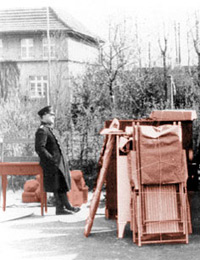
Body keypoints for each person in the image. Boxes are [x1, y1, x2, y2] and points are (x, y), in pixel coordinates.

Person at [35, 105, 80, 215]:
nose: (53, 116)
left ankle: (65, 207)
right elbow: (39, 148)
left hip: (58, 163)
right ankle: (61, 208)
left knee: (61, 184)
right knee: (57, 185)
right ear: (43, 116)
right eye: (51, 115)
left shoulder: (49, 129)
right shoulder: (42, 131)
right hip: (52, 163)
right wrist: (51, 159)